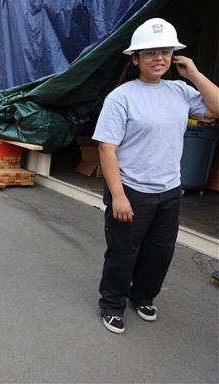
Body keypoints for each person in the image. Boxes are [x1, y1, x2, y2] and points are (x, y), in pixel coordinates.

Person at [93, 18, 219, 334]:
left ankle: (143, 296)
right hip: (132, 189)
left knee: (160, 252)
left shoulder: (180, 90)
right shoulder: (121, 97)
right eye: (150, 52)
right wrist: (118, 195)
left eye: (164, 51)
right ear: (135, 58)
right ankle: (112, 304)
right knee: (123, 253)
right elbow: (107, 150)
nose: (159, 58)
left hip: (169, 190)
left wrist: (194, 74)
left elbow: (216, 108)